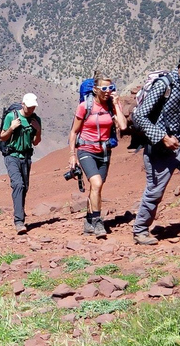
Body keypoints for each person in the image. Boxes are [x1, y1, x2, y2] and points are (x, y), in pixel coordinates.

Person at [67, 73, 127, 238]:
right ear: (95, 89)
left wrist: (116, 105)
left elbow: (122, 125)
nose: (108, 91)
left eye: (111, 88)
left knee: (96, 188)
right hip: (86, 150)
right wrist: (72, 155)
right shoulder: (85, 106)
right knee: (97, 182)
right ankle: (98, 222)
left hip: (105, 152)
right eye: (104, 88)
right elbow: (74, 132)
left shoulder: (112, 105)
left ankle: (88, 220)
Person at [131, 61, 180, 245]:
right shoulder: (165, 84)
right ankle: (141, 230)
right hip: (159, 147)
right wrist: (163, 137)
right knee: (155, 191)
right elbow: (140, 116)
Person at [0, 93, 42, 234]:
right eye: (29, 107)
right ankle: (19, 221)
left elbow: (36, 142)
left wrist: (38, 130)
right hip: (12, 155)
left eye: (33, 107)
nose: (31, 110)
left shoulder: (36, 120)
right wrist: (11, 128)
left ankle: (20, 213)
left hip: (26, 157)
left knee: (24, 187)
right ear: (23, 104)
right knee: (18, 184)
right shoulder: (12, 117)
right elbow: (2, 137)